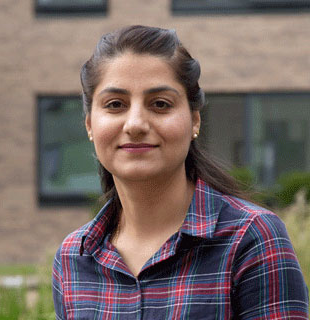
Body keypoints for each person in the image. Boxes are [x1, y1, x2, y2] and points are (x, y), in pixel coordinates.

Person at [52, 25, 309, 319]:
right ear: (89, 125)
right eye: (115, 105)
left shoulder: (251, 238)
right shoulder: (73, 257)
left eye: (160, 104)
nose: (135, 123)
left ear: (195, 121)